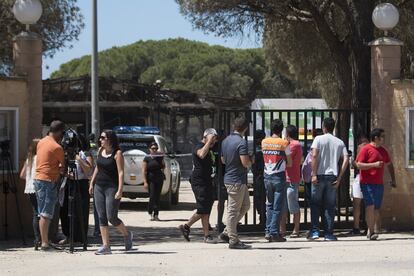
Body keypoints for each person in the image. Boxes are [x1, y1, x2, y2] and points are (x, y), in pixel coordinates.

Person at [89, 130, 133, 255]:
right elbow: (98, 167)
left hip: (111, 187)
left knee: (111, 217)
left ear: (110, 139)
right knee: (101, 216)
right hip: (99, 186)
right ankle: (106, 246)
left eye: (103, 138)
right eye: (100, 138)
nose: (100, 140)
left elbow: (121, 172)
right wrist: (92, 183)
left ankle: (127, 234)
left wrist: (120, 189)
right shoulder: (100, 151)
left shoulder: (117, 153)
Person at [309, 118, 349, 241]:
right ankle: (329, 233)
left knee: (315, 204)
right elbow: (346, 159)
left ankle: (315, 232)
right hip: (333, 176)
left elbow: (314, 155)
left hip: (319, 175)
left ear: (323, 127)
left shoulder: (318, 139)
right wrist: (340, 177)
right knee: (330, 206)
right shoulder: (339, 142)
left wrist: (314, 174)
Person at [355, 128, 396, 240]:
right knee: (370, 206)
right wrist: (373, 165)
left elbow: (389, 164)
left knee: (376, 208)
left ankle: (370, 229)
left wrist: (393, 179)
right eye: (382, 136)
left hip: (379, 183)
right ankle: (372, 232)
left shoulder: (383, 150)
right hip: (367, 183)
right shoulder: (366, 149)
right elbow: (358, 164)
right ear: (376, 138)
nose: (384, 138)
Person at [219, 116, 253, 249]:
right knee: (233, 211)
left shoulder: (226, 140)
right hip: (236, 180)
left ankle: (227, 232)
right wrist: (251, 161)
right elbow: (245, 162)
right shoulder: (241, 142)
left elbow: (222, 160)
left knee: (245, 206)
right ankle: (233, 240)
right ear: (245, 128)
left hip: (233, 178)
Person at [179, 128, 218, 243]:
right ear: (205, 137)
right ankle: (186, 226)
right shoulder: (198, 146)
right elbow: (201, 154)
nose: (213, 142)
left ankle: (206, 236)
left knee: (206, 208)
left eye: (214, 140)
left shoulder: (211, 148)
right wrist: (208, 142)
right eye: (212, 140)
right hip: (199, 181)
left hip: (207, 180)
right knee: (203, 208)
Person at [34, 120, 65, 251]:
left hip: (38, 179)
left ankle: (43, 240)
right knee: (46, 214)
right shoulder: (57, 147)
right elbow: (62, 168)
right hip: (48, 180)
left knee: (42, 212)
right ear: (59, 132)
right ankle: (45, 243)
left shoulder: (41, 142)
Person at [262, 119, 292, 242]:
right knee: (278, 206)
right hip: (278, 176)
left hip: (267, 176)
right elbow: (289, 163)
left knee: (269, 204)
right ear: (281, 130)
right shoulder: (284, 143)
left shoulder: (264, 142)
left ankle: (268, 231)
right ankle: (274, 232)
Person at [59, 134, 93, 244]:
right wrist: (65, 173)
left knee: (80, 210)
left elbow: (88, 171)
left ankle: (80, 236)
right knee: (66, 210)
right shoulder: (66, 153)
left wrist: (78, 158)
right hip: (68, 183)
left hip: (81, 184)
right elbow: (62, 169)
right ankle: (68, 235)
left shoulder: (86, 154)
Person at [280, 125, 302, 238]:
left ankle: (296, 229)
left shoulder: (295, 145)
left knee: (293, 205)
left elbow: (284, 157)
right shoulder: (290, 144)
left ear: (287, 134)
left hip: (292, 178)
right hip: (286, 178)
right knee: (283, 205)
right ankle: (282, 230)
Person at [20, 138, 41, 250]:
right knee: (42, 213)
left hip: (29, 188)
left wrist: (29, 179)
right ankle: (42, 238)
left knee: (35, 213)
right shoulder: (40, 158)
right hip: (39, 187)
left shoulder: (29, 159)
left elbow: (22, 175)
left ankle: (36, 239)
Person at [348, 136, 369, 236]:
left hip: (362, 178)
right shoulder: (371, 149)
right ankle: (368, 227)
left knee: (357, 205)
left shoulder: (362, 150)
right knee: (368, 205)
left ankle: (357, 227)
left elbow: (357, 164)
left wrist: (354, 163)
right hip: (365, 179)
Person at [142, 142, 165, 221]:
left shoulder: (160, 157)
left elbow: (163, 166)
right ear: (149, 149)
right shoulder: (147, 158)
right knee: (152, 196)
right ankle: (150, 211)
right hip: (150, 179)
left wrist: (162, 157)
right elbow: (144, 170)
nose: (154, 150)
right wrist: (145, 182)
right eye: (153, 148)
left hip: (159, 178)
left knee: (157, 197)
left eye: (156, 148)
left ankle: (156, 214)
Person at [252, 129, 266, 225]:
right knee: (260, 198)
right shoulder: (258, 148)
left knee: (259, 198)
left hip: (259, 176)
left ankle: (262, 216)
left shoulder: (258, 149)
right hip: (260, 176)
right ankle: (262, 216)